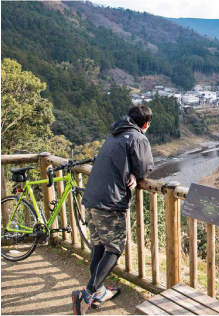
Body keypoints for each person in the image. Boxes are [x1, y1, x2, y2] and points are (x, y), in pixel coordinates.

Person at [72, 105, 154, 316]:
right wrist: (137, 174)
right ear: (145, 124)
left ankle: (99, 291)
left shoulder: (115, 133)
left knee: (99, 245)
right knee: (115, 248)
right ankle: (87, 293)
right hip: (110, 201)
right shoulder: (137, 137)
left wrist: (132, 173)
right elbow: (145, 168)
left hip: (92, 198)